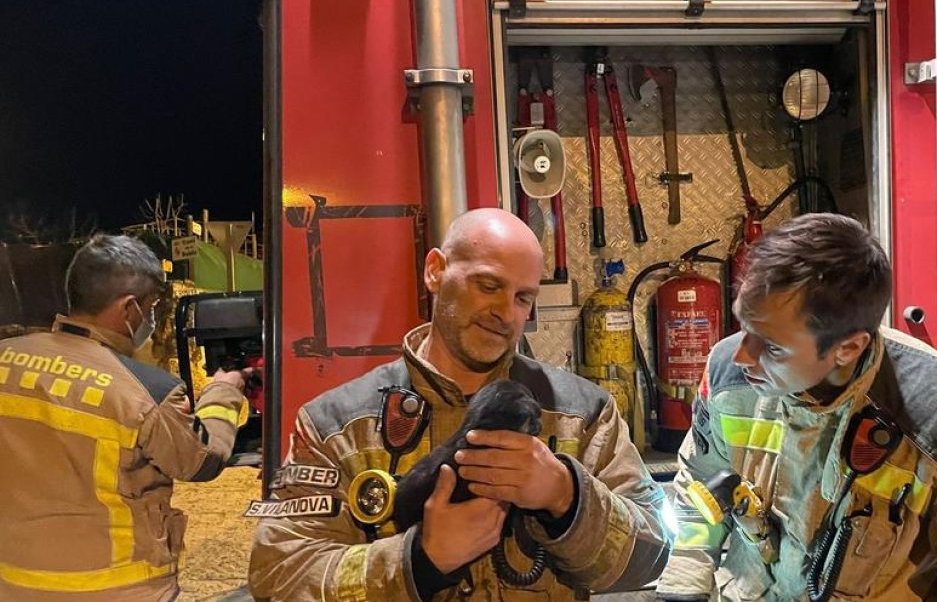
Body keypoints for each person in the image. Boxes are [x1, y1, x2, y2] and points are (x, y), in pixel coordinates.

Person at [249, 208, 669, 601]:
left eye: (523, 298)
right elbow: (279, 574)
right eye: (488, 286)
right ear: (435, 271)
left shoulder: (583, 414)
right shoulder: (335, 425)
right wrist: (417, 560)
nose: (505, 312)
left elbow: (653, 556)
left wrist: (566, 495)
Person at [655, 214, 937, 601]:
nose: (742, 355)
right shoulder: (729, 374)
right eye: (744, 326)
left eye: (772, 347)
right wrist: (685, 582)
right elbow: (701, 485)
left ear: (848, 348)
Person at [0, 234, 251, 601]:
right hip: (119, 590)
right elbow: (202, 460)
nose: (150, 318)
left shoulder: (6, 356)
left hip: (14, 583)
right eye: (150, 308)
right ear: (130, 309)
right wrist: (224, 390)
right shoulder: (145, 389)